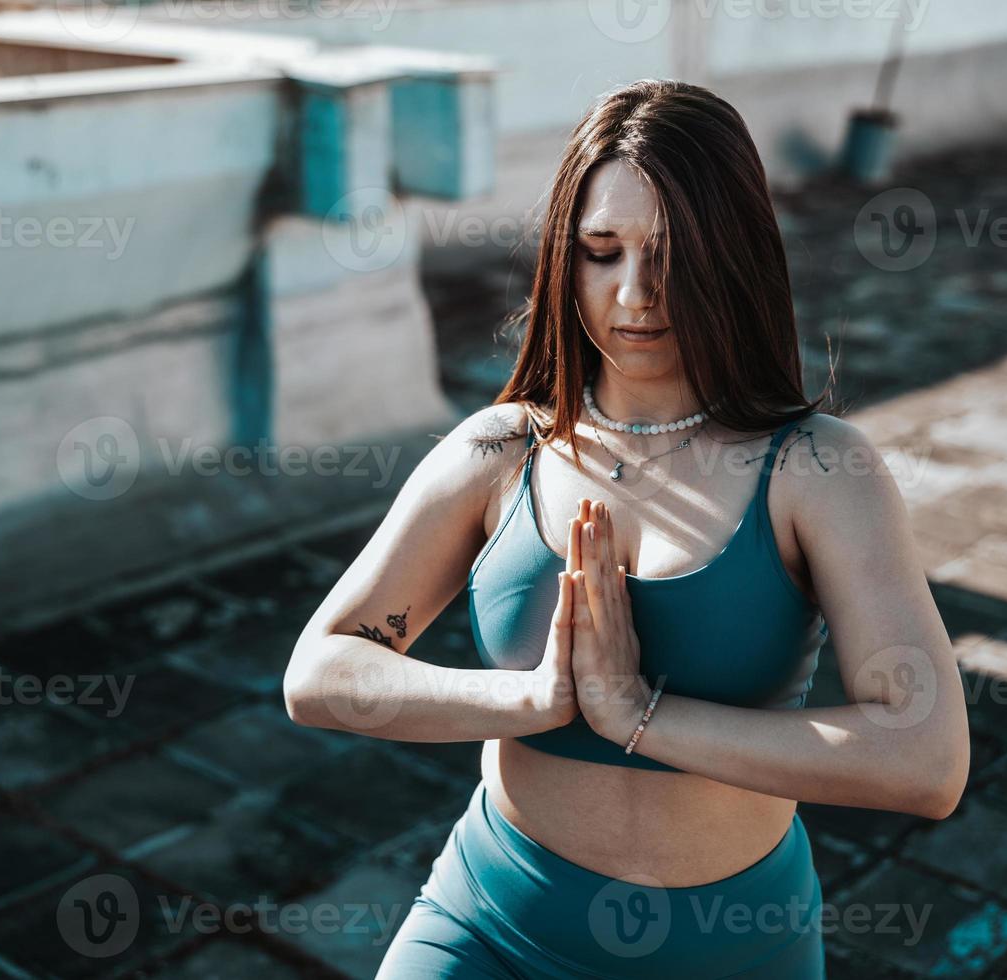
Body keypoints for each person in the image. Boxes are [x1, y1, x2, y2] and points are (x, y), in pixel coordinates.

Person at [283, 78, 969, 979]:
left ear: (734, 256)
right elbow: (319, 673)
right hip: (493, 923)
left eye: (670, 254)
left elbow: (925, 759)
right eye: (601, 251)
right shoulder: (500, 448)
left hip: (733, 948)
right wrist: (532, 703)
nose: (635, 293)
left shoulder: (816, 467)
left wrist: (640, 717)